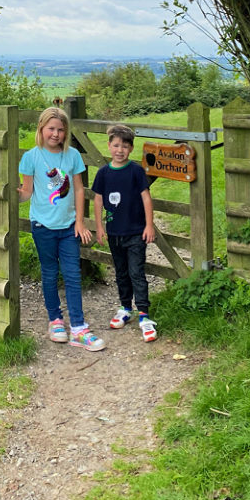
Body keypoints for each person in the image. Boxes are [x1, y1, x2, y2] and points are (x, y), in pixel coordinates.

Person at [18, 106, 106, 352]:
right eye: (51, 129)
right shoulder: (31, 157)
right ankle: (55, 320)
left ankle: (78, 327)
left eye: (60, 129)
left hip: (68, 227)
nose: (55, 134)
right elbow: (27, 192)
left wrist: (79, 221)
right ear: (41, 129)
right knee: (49, 273)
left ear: (66, 132)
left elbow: (78, 189)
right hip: (42, 226)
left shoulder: (73, 156)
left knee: (72, 273)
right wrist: (14, 195)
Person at [93, 123, 157, 342]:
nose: (120, 150)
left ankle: (144, 315)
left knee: (136, 272)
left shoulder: (136, 171)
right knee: (120, 272)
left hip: (136, 233)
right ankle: (124, 307)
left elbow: (146, 197)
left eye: (125, 146)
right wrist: (99, 227)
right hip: (114, 233)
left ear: (131, 149)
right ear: (109, 146)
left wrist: (149, 225)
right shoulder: (103, 173)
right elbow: (98, 199)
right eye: (116, 145)